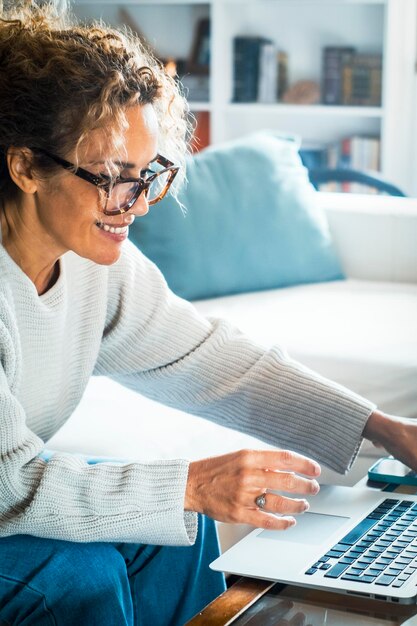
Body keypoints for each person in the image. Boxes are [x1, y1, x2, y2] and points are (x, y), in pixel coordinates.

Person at [0, 1, 415, 624]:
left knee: (175, 530)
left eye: (146, 176)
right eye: (114, 177)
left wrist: (384, 428)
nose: (134, 205)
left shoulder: (89, 265)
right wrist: (190, 482)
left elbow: (215, 362)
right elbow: (10, 484)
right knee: (80, 576)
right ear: (26, 165)